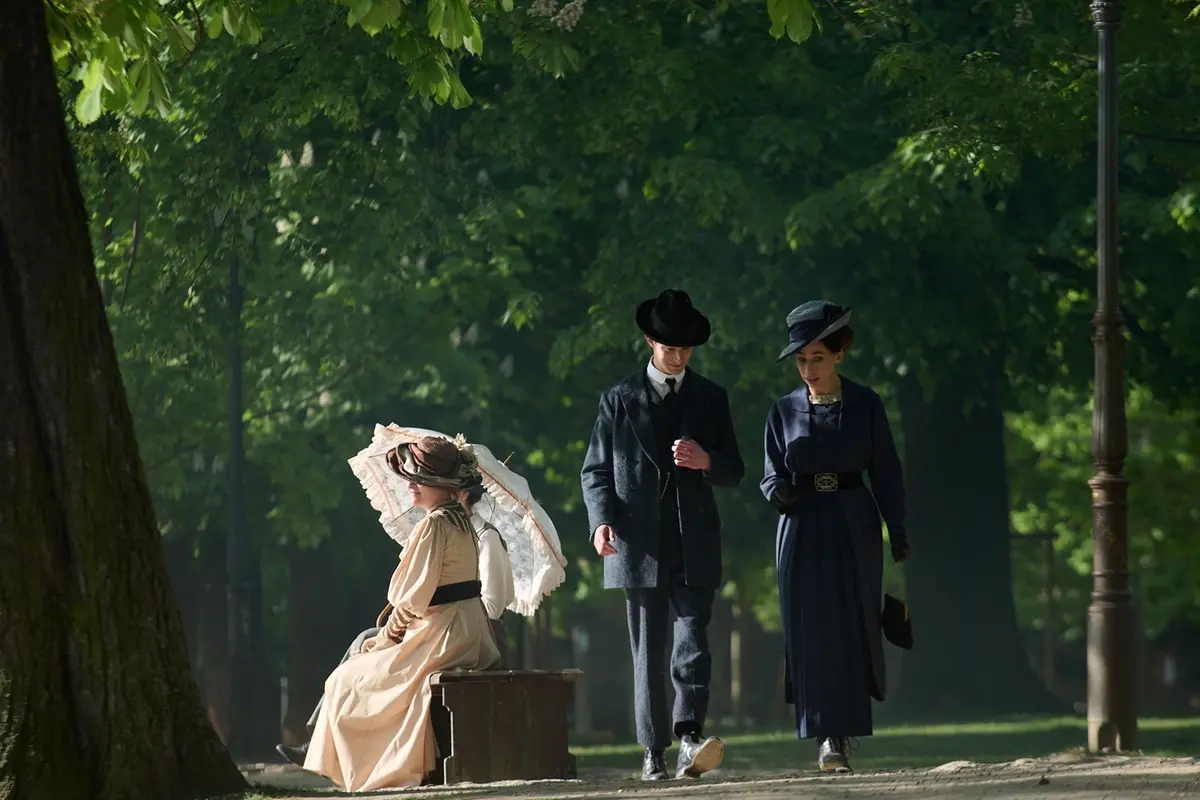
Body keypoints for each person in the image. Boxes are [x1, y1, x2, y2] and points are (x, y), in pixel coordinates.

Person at [581, 288, 744, 781]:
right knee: (648, 648)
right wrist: (600, 521)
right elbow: (596, 471)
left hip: (694, 538)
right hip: (638, 541)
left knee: (693, 640)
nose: (677, 356)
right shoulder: (618, 399)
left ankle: (689, 736)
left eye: (686, 348)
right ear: (650, 341)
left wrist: (707, 461)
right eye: (669, 347)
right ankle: (653, 749)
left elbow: (735, 469)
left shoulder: (712, 397)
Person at [300, 436, 501, 791]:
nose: (409, 484)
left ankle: (366, 768)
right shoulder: (461, 521)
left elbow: (412, 602)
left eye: (417, 478)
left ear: (439, 484)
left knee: (345, 681)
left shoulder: (436, 524)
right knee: (356, 670)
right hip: (465, 630)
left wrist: (385, 639)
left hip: (443, 635)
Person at [760, 301, 908, 773]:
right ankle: (823, 736)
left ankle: (841, 734)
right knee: (809, 627)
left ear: (839, 354)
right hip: (801, 524)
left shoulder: (866, 404)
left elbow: (886, 473)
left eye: (817, 358)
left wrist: (898, 531)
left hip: (853, 520)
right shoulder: (782, 410)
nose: (809, 369)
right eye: (801, 361)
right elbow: (769, 474)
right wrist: (778, 492)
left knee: (852, 623)